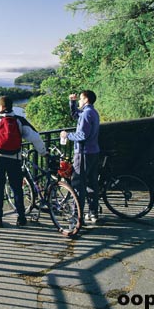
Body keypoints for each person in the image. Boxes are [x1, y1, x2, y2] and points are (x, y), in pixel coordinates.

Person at [0, 95, 46, 228]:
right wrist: (43, 152)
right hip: (14, 159)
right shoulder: (19, 120)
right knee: (17, 188)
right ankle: (21, 217)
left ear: (0, 107)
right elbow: (35, 137)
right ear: (11, 106)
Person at [60, 90, 100, 225]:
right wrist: (71, 102)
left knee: (78, 183)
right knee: (92, 183)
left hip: (83, 153)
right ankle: (93, 212)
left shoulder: (87, 113)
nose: (79, 101)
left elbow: (82, 135)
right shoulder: (92, 112)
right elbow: (76, 115)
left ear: (86, 100)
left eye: (81, 99)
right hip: (94, 152)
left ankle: (77, 216)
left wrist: (67, 135)